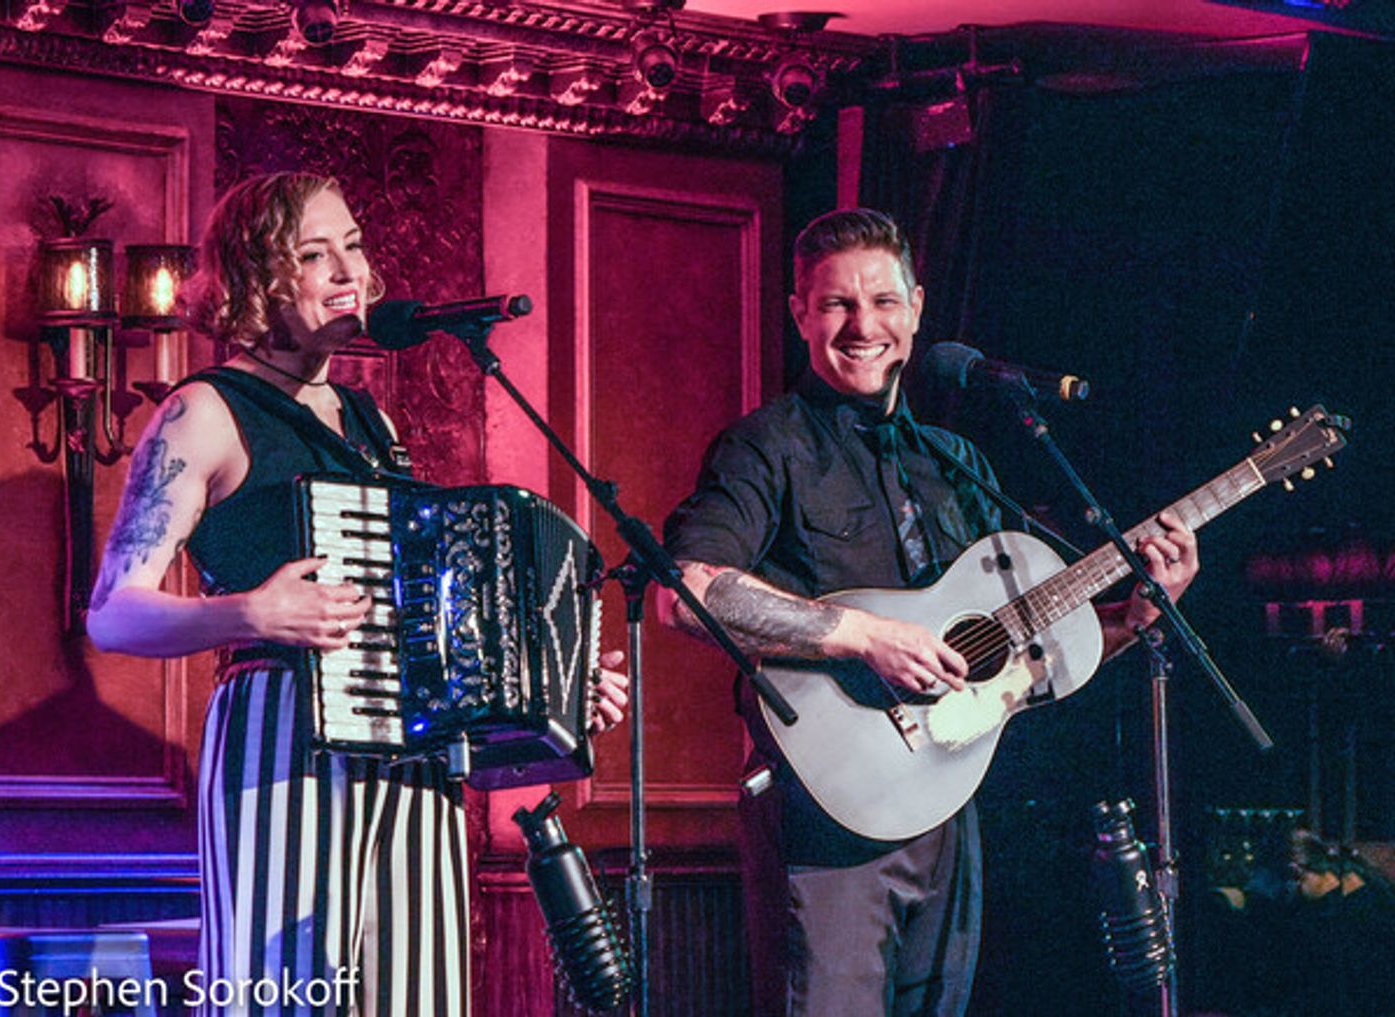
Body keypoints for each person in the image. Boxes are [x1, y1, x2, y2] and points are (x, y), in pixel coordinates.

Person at [86, 171, 629, 1016]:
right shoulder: (204, 410)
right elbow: (113, 612)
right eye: (313, 253)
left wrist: (545, 690)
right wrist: (248, 611)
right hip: (280, 733)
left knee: (419, 998)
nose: (349, 269)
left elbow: (421, 612)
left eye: (354, 245)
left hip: (409, 746)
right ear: (255, 276)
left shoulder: (367, 419)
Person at [658, 208, 1199, 1017]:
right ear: (800, 313)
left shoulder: (958, 463)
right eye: (837, 303)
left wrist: (1137, 617)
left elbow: (1027, 657)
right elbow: (691, 590)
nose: (862, 324)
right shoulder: (765, 447)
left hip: (948, 803)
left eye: (882, 301)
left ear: (915, 310)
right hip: (825, 821)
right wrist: (862, 635)